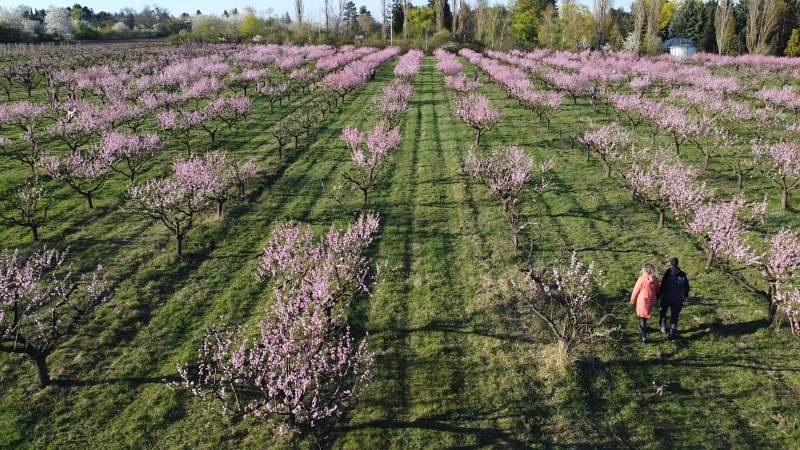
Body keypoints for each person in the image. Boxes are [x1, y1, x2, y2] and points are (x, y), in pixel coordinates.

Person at [658, 257, 690, 340]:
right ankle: (671, 334)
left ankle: (663, 326)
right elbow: (686, 287)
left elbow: (663, 285)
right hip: (678, 299)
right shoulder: (683, 274)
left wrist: (658, 295)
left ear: (670, 264)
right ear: (677, 264)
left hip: (666, 297)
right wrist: (685, 296)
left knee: (663, 311)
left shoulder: (668, 273)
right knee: (674, 317)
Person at [631, 263, 659, 343]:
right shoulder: (655, 279)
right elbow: (657, 290)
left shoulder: (641, 279)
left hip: (642, 300)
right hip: (651, 299)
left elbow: (636, 290)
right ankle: (643, 326)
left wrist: (632, 300)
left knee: (642, 317)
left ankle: (644, 337)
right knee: (645, 314)